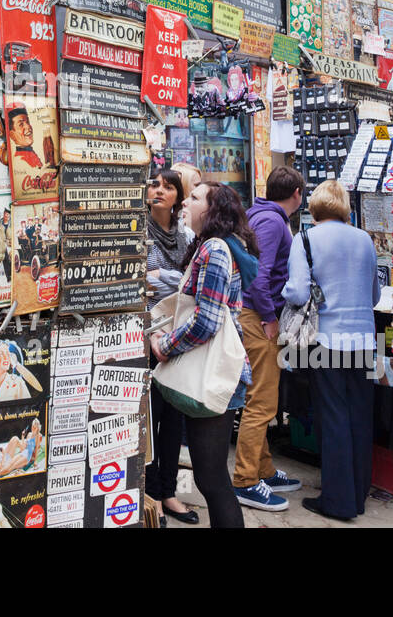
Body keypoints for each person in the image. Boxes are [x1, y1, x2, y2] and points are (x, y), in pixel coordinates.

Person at [150, 182, 257, 529]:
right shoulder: (209, 247)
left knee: (212, 481)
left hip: (214, 372)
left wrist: (165, 346)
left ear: (212, 210)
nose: (186, 201)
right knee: (210, 479)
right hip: (213, 370)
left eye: (195, 197)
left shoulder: (214, 249)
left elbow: (207, 320)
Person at [281, 179, 379, 521]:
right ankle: (358, 495)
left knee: (333, 418)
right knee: (359, 418)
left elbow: (295, 292)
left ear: (315, 206)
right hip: (366, 341)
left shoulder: (304, 239)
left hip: (326, 341)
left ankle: (337, 502)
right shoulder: (365, 239)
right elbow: (375, 297)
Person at [233, 166, 304, 512]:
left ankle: (263, 469)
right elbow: (258, 276)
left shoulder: (261, 214)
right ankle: (245, 480)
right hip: (258, 319)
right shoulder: (273, 221)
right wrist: (269, 317)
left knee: (262, 398)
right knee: (261, 402)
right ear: (297, 195)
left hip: (254, 315)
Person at [144, 169, 196, 524]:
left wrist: (161, 277)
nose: (159, 190)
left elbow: (190, 286)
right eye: (155, 184)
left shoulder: (188, 236)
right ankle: (150, 497)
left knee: (174, 422)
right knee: (151, 418)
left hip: (179, 334)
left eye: (168, 186)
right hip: (147, 336)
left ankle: (170, 492)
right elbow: (135, 284)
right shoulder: (138, 230)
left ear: (179, 196)